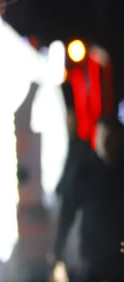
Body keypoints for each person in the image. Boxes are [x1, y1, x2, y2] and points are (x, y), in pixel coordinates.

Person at [50, 114, 124, 282]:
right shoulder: (84, 170)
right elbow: (67, 212)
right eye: (101, 136)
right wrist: (58, 253)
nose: (105, 143)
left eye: (110, 138)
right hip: (92, 255)